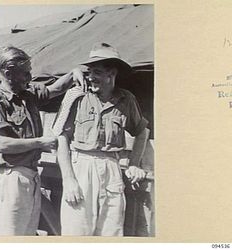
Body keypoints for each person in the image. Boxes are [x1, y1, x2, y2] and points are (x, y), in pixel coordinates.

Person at [52, 42, 149, 236]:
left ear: (111, 74)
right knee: (76, 231)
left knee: (110, 232)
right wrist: (69, 180)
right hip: (81, 167)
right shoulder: (77, 97)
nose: (90, 77)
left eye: (96, 72)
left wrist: (134, 164)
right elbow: (61, 137)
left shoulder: (126, 99)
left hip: (111, 168)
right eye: (89, 71)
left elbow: (142, 131)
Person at [0, 46, 85, 236]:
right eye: (25, 73)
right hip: (11, 177)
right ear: (9, 73)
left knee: (27, 234)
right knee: (9, 234)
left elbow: (55, 89)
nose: (30, 77)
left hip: (32, 176)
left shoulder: (27, 94)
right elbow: (1, 144)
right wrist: (40, 143)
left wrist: (73, 72)